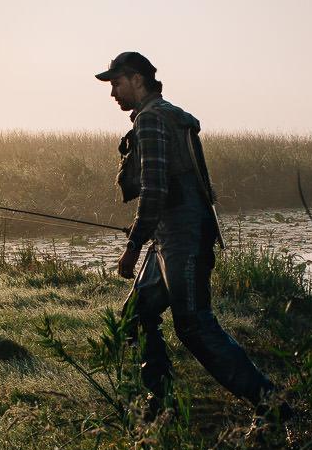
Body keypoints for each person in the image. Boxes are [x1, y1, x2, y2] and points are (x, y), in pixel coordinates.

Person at [95, 50, 277, 422]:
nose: (112, 92)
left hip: (182, 240)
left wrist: (133, 245)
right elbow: (175, 188)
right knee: (136, 315)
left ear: (137, 79)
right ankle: (162, 403)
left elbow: (155, 190)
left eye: (116, 83)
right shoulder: (171, 115)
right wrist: (150, 230)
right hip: (174, 235)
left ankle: (272, 406)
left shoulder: (151, 120)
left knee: (194, 325)